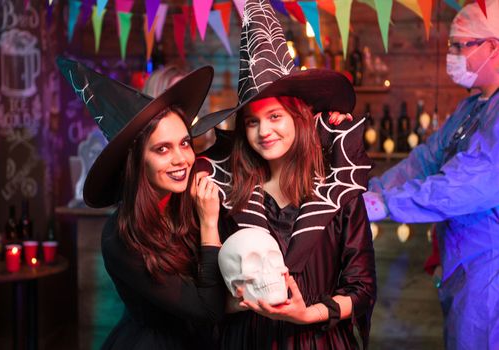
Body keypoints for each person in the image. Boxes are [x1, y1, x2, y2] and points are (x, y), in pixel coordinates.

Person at [191, 0, 376, 348]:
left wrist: (309, 313)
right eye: (252, 121)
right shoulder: (226, 192)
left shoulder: (339, 190)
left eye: (275, 116)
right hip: (248, 339)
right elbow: (208, 296)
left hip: (316, 340)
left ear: (298, 117)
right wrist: (208, 224)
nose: (264, 131)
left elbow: (363, 288)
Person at [56, 57, 226, 349]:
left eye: (185, 143)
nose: (181, 159)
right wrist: (210, 225)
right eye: (162, 149)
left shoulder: (187, 201)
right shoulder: (121, 237)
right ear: (138, 161)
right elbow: (209, 310)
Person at [363, 1, 499, 348]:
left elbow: (470, 184)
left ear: (493, 46)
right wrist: (368, 192)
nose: (450, 54)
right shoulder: (472, 108)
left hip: (490, 274)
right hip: (464, 268)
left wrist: (385, 204)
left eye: (459, 46)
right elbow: (425, 160)